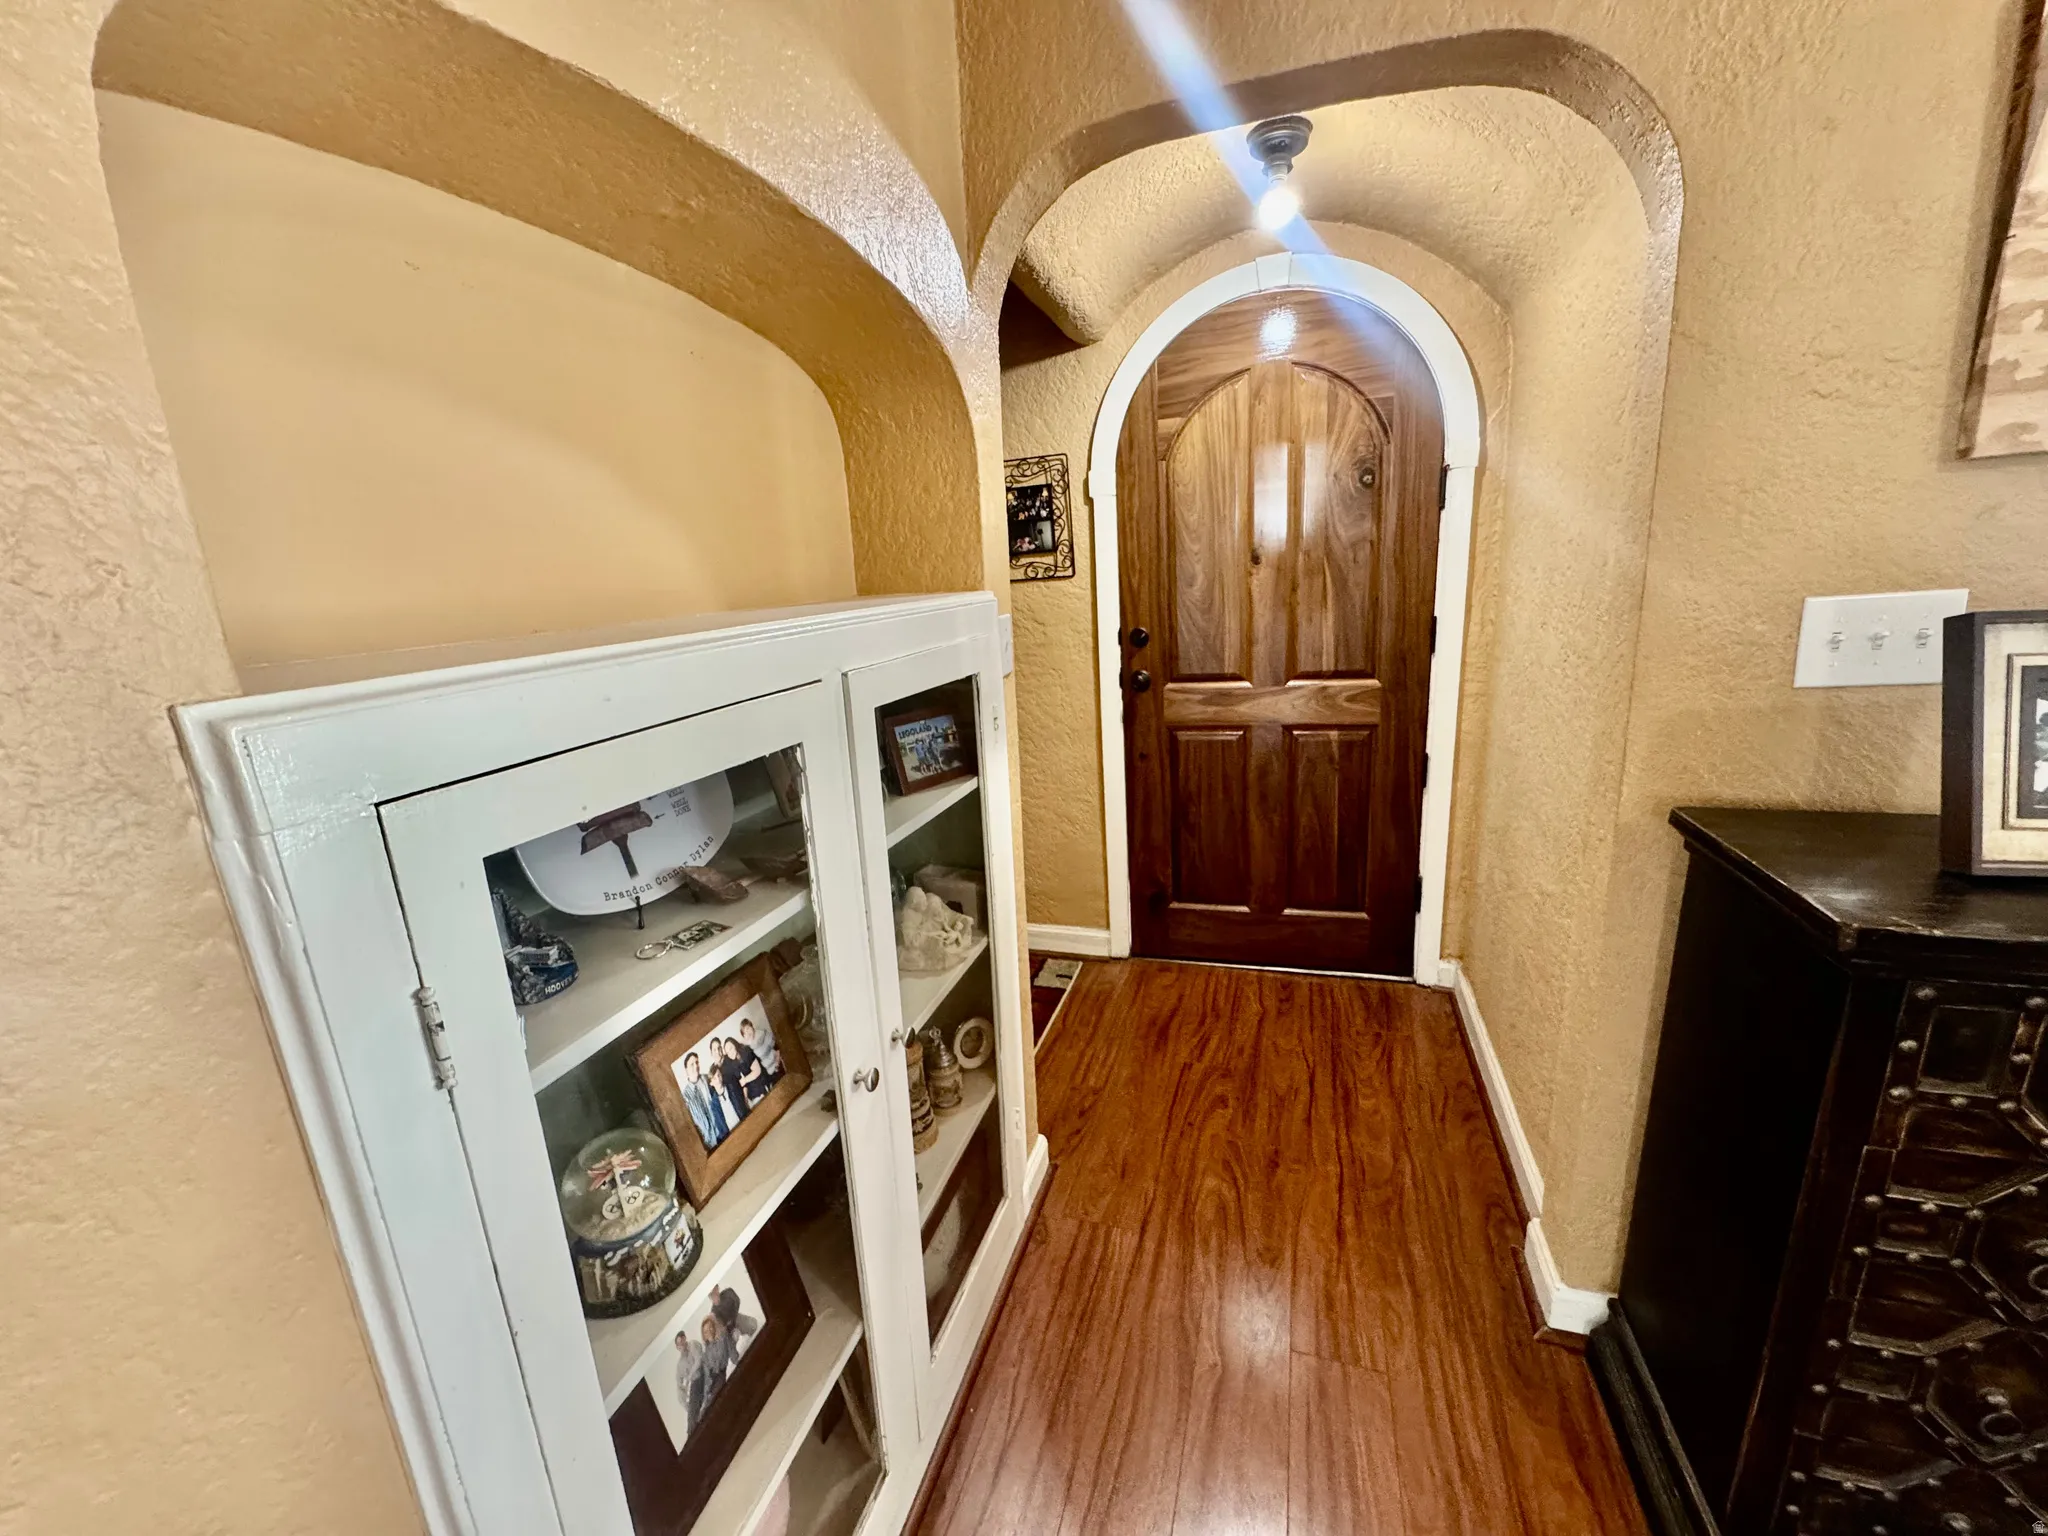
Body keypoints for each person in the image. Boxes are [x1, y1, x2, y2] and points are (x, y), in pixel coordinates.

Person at [676, 1051, 726, 1150]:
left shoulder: (708, 1079)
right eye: (692, 1064)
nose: (696, 1066)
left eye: (697, 1062)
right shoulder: (685, 1097)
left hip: (721, 1129)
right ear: (686, 1070)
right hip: (708, 1141)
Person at [712, 1036, 752, 1128]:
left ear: (722, 1049)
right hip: (730, 1109)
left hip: (741, 1101)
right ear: (711, 1053)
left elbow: (743, 1080)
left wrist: (745, 1100)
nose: (717, 1052)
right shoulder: (713, 1071)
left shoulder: (730, 1059)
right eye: (714, 1050)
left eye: (719, 1048)